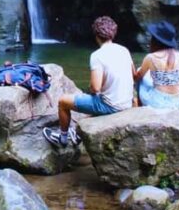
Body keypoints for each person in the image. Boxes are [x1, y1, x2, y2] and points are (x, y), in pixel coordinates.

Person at [43, 16, 135, 147]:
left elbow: (96, 88)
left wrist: (92, 89)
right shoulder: (123, 50)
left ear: (96, 36)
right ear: (113, 33)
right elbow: (133, 75)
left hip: (111, 106)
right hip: (126, 102)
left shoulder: (97, 56)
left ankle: (62, 138)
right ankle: (77, 134)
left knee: (63, 101)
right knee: (91, 100)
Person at [135, 20, 179, 110]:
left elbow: (138, 77)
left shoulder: (151, 57)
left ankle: (140, 107)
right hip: (177, 102)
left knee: (140, 73)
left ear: (155, 40)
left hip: (157, 103)